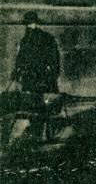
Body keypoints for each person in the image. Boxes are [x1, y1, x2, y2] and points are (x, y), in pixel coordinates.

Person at [9, 12, 62, 143]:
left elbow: (54, 58)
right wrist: (17, 72)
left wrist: (52, 74)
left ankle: (47, 132)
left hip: (42, 78)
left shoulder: (44, 39)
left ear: (36, 23)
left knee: (44, 105)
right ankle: (39, 133)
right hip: (35, 79)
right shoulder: (27, 40)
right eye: (28, 24)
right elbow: (20, 60)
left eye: (31, 23)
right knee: (37, 106)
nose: (29, 26)